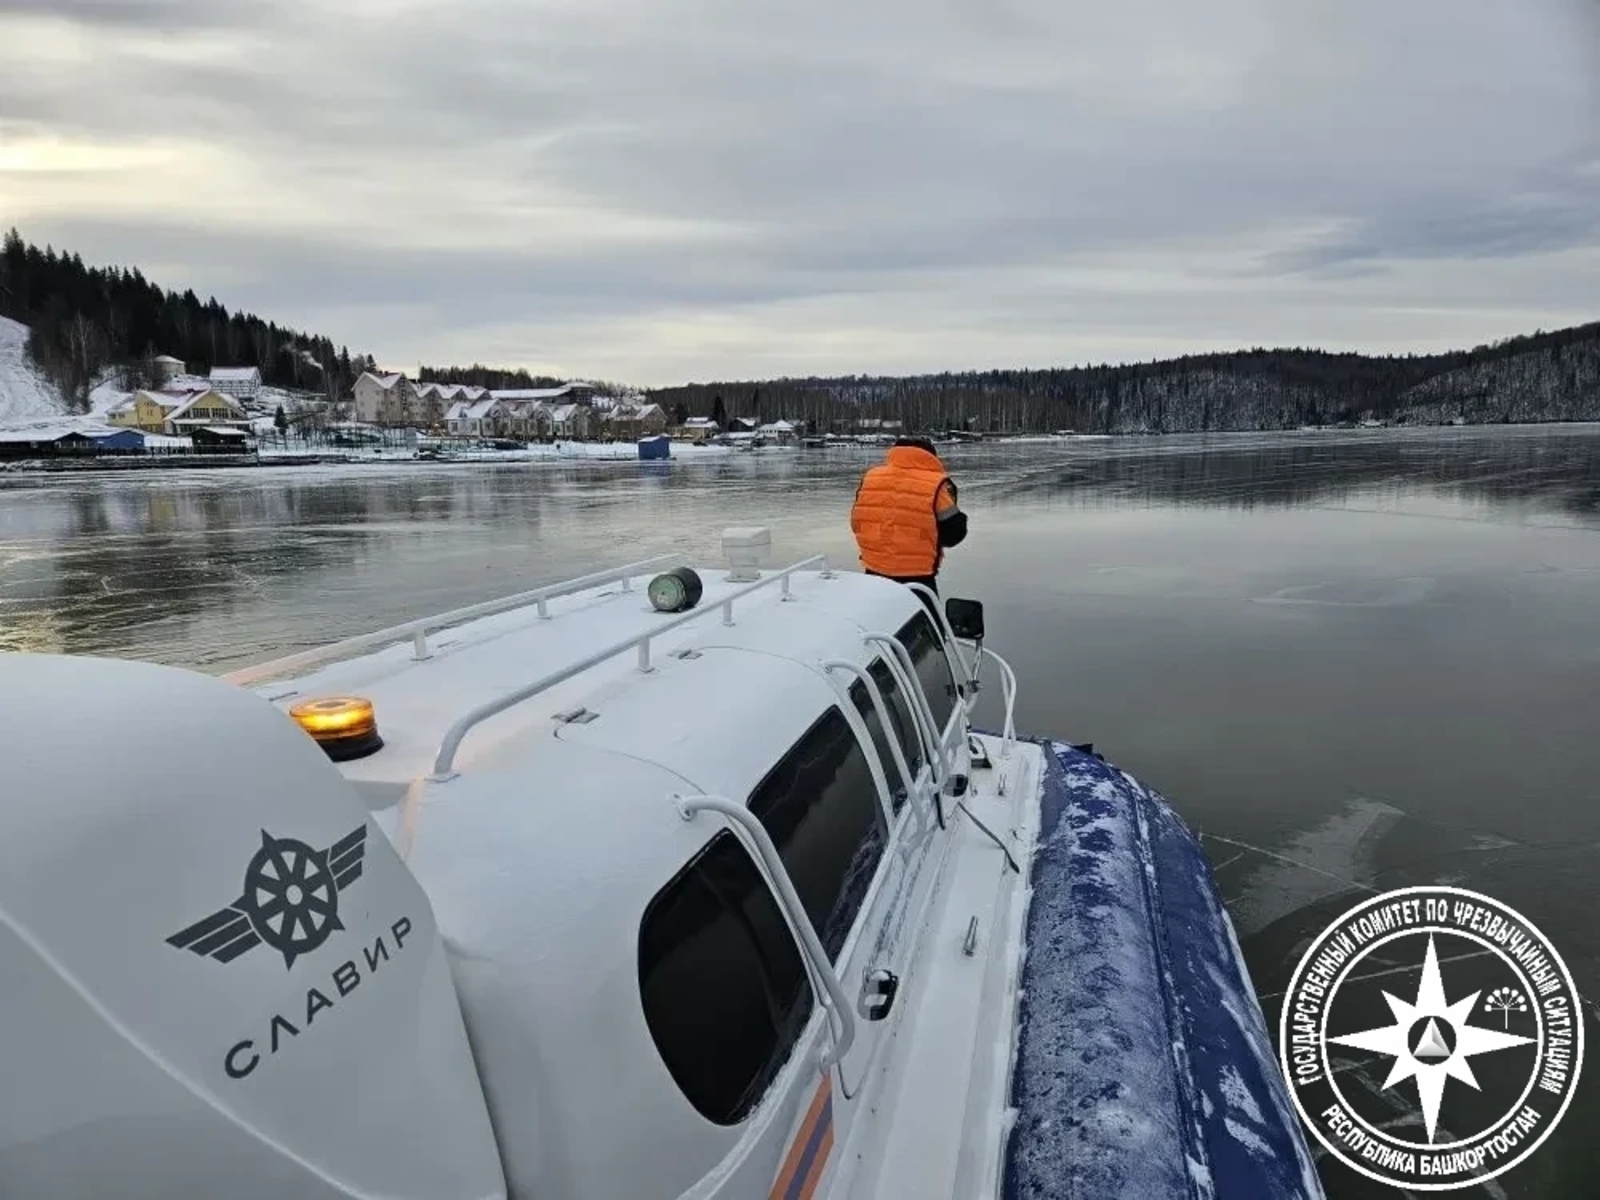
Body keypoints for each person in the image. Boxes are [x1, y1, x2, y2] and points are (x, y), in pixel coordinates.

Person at [849, 436, 967, 605]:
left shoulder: (870, 478)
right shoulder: (935, 484)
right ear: (930, 456)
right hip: (918, 580)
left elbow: (855, 524)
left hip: (874, 575)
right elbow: (954, 534)